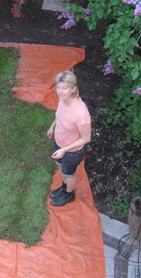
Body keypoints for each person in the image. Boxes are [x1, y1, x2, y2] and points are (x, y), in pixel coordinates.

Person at [47, 71, 91, 206]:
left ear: (73, 89)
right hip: (60, 143)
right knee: (62, 170)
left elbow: (86, 138)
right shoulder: (63, 99)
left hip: (72, 151)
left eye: (64, 88)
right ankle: (64, 187)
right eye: (58, 87)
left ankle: (68, 194)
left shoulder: (80, 114)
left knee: (69, 174)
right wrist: (52, 127)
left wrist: (64, 149)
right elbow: (59, 115)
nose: (60, 91)